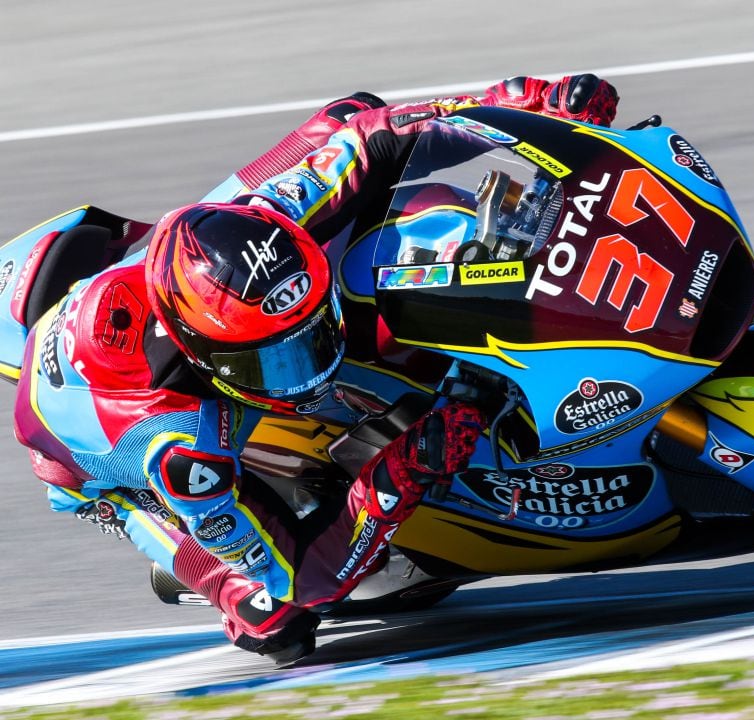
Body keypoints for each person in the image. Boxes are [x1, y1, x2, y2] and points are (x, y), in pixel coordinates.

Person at [10, 74, 619, 662]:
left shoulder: (264, 218)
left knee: (346, 116)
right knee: (275, 618)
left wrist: (524, 105)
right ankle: (196, 562)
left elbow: (375, 135)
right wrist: (406, 469)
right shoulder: (176, 446)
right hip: (97, 458)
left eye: (307, 337)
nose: (309, 366)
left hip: (164, 269)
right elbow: (304, 574)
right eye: (278, 359)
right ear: (207, 355)